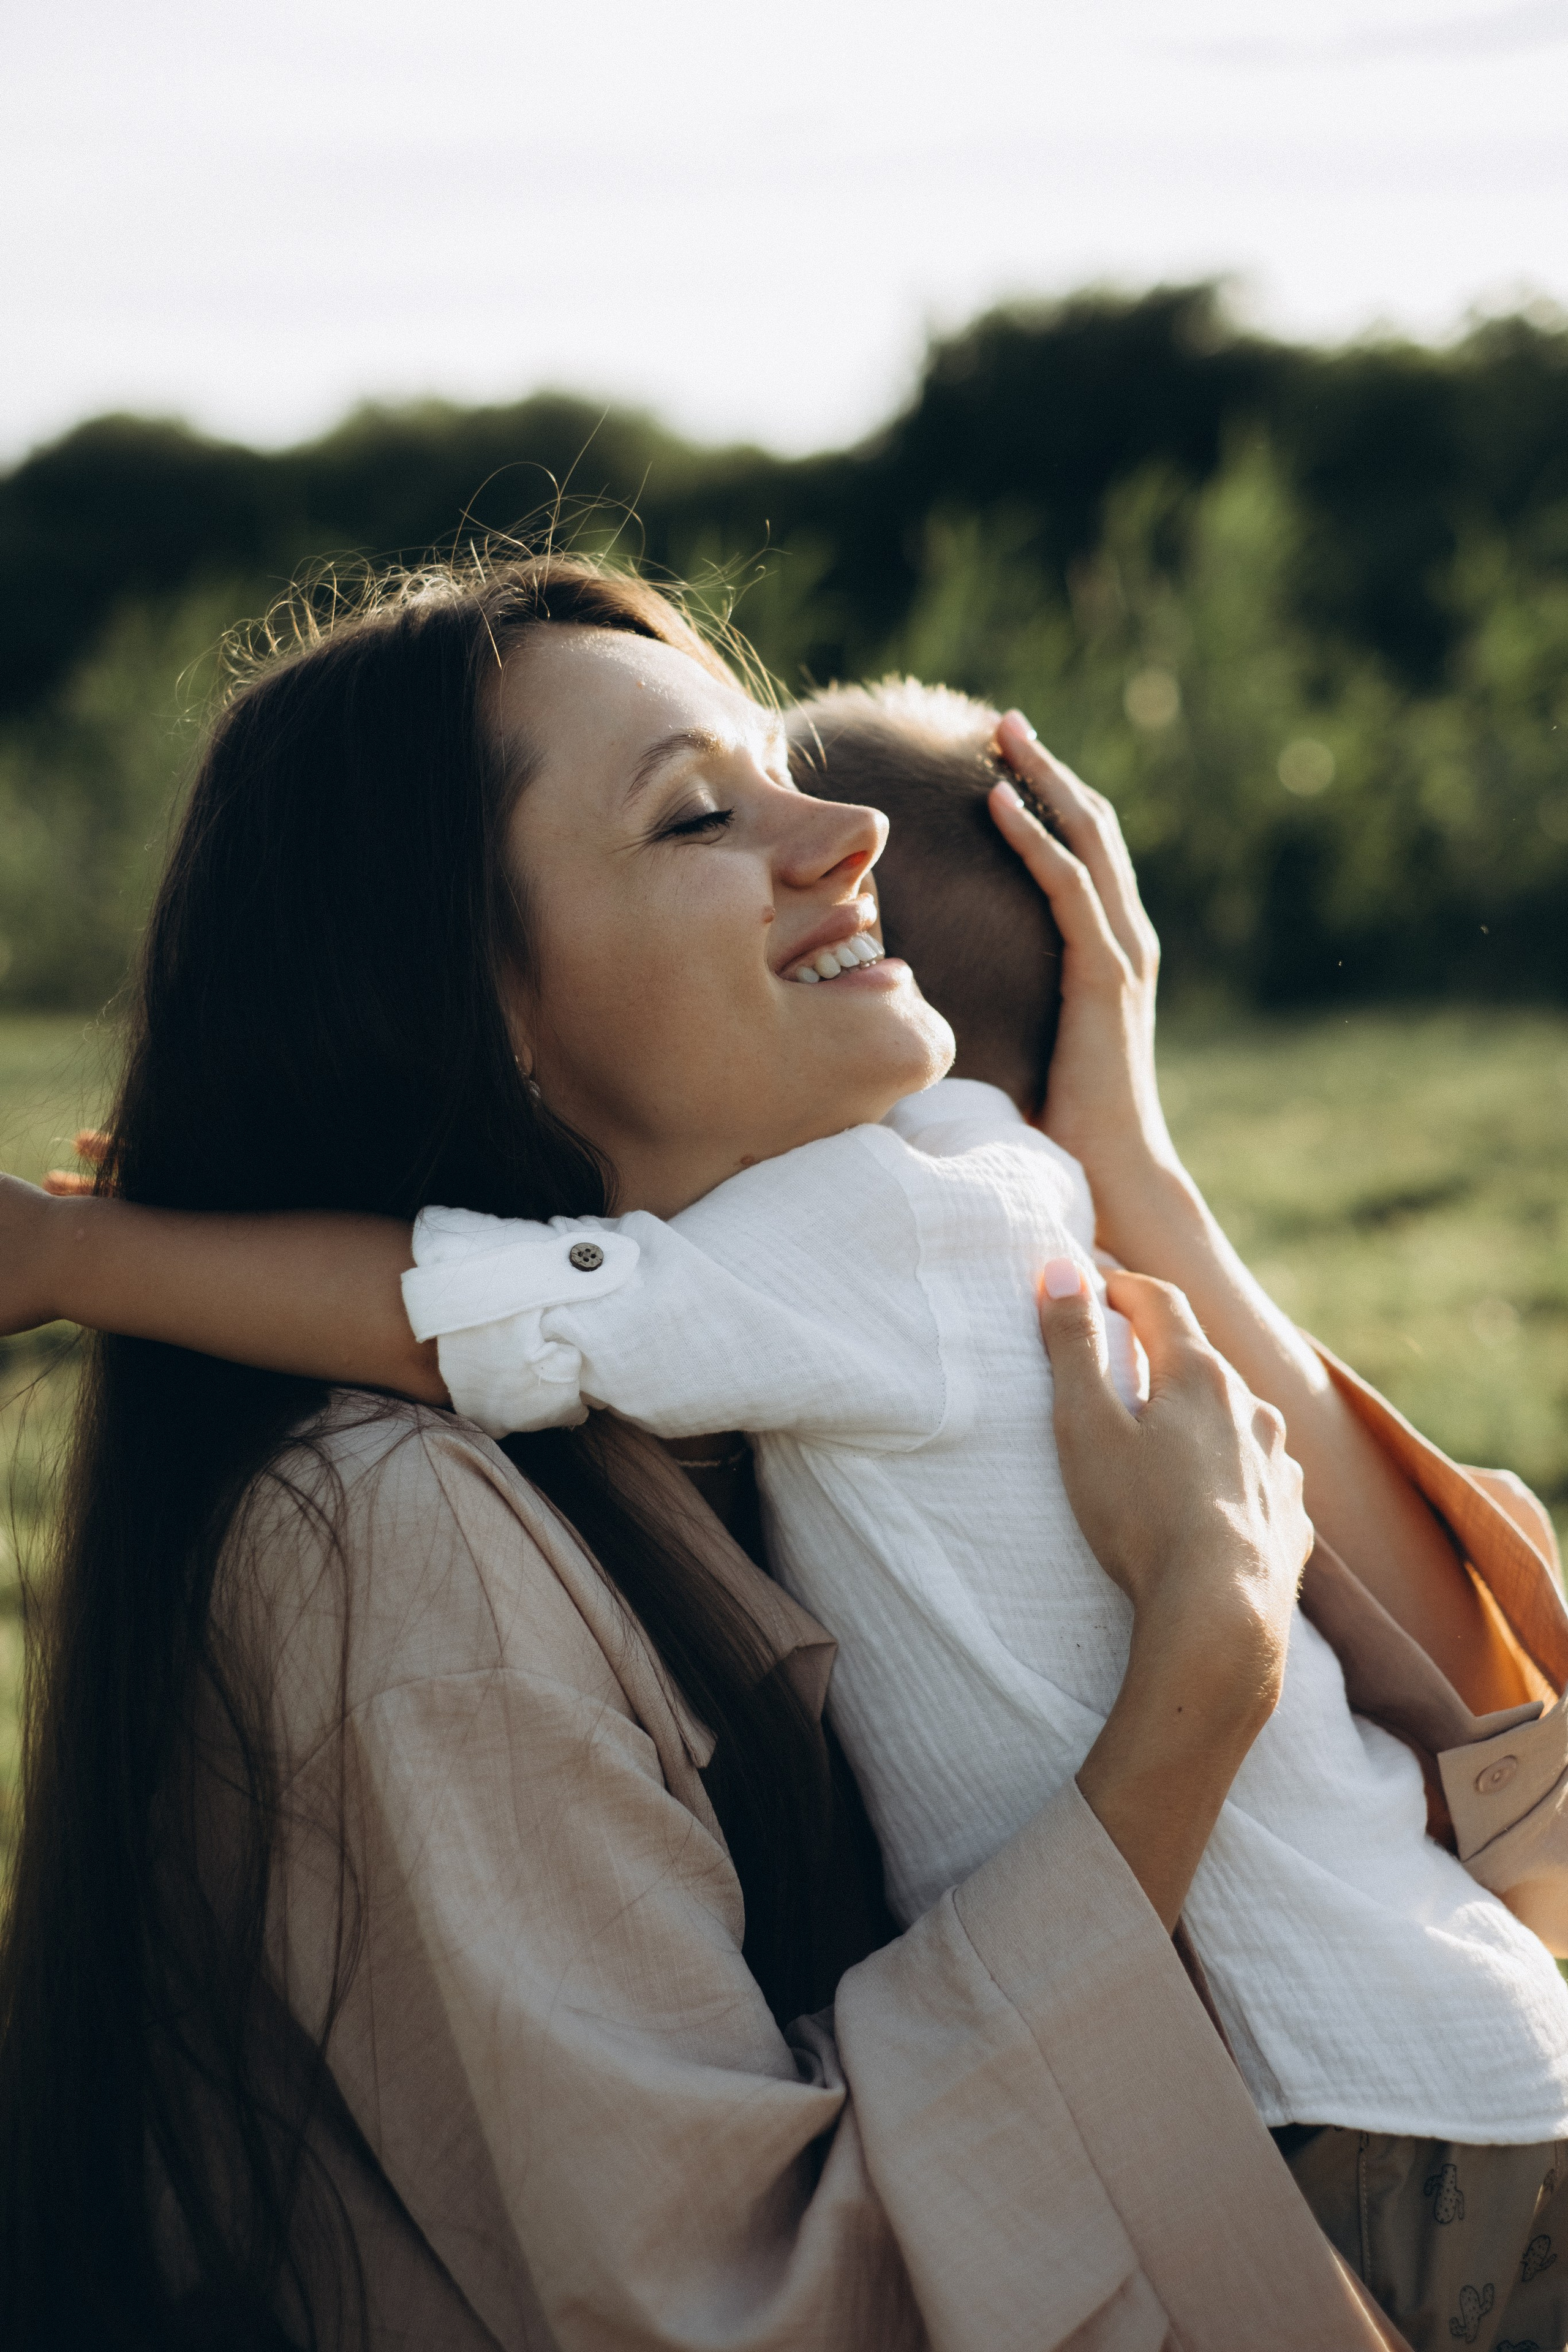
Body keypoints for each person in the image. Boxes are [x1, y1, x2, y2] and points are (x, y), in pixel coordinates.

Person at [0, 551, 1544, 2350]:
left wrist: (1141, 1180)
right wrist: (1198, 1674)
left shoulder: (833, 1322)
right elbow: (738, 2311)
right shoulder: (401, 1536)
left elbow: (1507, 1754)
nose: (852, 836)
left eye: (789, 772)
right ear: (480, 1007)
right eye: (695, 817)